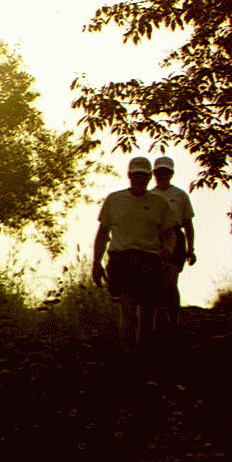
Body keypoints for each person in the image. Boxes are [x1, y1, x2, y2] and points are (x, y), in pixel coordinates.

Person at [92, 156, 175, 367]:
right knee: (127, 308)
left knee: (147, 310)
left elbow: (169, 233)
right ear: (129, 176)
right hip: (122, 257)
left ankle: (143, 354)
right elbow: (103, 233)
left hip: (149, 257)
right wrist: (96, 262)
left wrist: (168, 250)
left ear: (149, 177)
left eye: (144, 176)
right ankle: (128, 353)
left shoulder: (159, 203)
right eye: (136, 175)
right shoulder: (114, 200)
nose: (140, 179)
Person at [151, 157, 196, 331]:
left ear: (171, 173)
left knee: (171, 280)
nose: (162, 175)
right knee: (156, 281)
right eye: (159, 172)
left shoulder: (180, 195)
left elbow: (188, 224)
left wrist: (190, 249)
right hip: (154, 238)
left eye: (166, 172)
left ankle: (174, 319)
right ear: (154, 174)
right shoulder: (150, 196)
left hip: (176, 237)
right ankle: (159, 319)